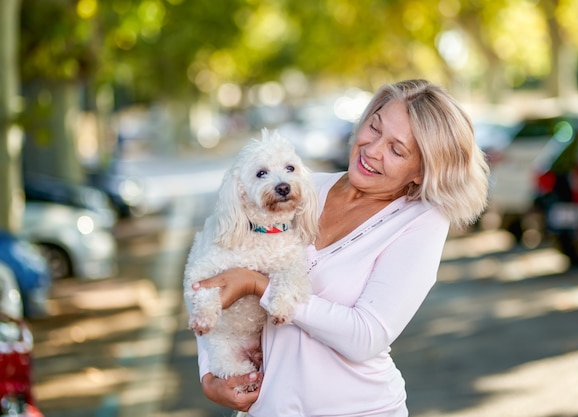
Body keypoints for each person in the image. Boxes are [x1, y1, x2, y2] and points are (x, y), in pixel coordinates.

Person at [191, 79, 490, 416]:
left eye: (396, 149)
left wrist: (259, 284)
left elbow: (366, 336)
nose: (372, 150)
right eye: (373, 128)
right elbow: (214, 274)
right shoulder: (300, 188)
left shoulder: (420, 222)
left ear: (421, 171)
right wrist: (210, 374)